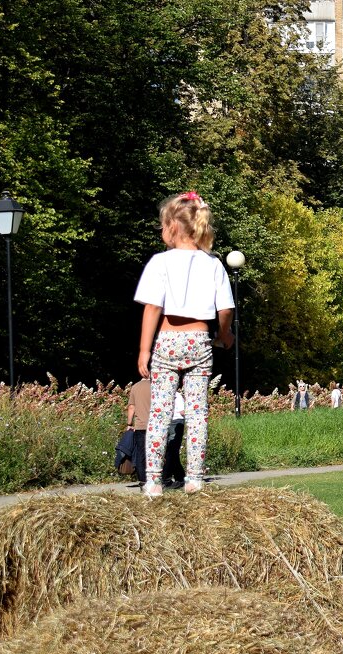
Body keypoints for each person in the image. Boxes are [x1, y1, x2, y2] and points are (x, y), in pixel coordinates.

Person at [134, 191, 234, 499]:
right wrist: (225, 335)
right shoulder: (213, 264)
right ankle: (194, 479)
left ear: (174, 227)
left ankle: (153, 481)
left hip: (166, 339)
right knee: (197, 412)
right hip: (199, 340)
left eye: (163, 225)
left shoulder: (160, 262)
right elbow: (225, 310)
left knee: (160, 412)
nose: (161, 231)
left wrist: (144, 350)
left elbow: (152, 307)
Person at [125, 377, 153, 484]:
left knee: (141, 453)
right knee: (155, 452)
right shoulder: (156, 385)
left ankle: (143, 480)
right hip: (155, 425)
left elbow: (131, 407)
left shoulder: (135, 387)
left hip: (140, 426)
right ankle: (156, 478)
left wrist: (129, 424)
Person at [164, 390, 186, 488]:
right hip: (177, 421)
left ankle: (179, 476)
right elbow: (182, 412)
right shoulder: (178, 395)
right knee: (173, 451)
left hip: (167, 421)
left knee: (171, 451)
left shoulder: (164, 394)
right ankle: (179, 477)